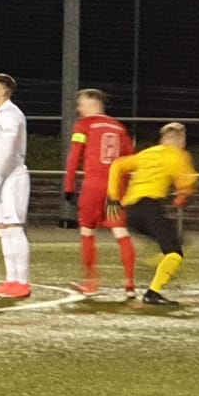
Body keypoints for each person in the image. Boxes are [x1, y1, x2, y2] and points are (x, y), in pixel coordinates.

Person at [107, 122, 199, 306]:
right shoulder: (178, 156)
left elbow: (117, 165)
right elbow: (188, 183)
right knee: (175, 253)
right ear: (179, 139)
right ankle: (153, 292)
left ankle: (157, 262)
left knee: (174, 239)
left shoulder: (147, 154)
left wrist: (113, 196)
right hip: (149, 207)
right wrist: (183, 195)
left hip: (131, 212)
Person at [62, 88, 137, 298]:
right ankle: (130, 284)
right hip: (114, 190)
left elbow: (74, 156)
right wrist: (125, 189)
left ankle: (91, 283)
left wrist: (69, 187)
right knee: (121, 232)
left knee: (87, 232)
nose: (78, 109)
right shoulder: (119, 127)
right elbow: (130, 160)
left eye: (81, 104)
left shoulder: (84, 125)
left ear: (92, 104)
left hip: (93, 187)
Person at [0, 74, 31, 299]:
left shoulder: (11, 114)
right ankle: (11, 279)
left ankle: (22, 282)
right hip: (1, 178)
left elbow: (9, 149)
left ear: (3, 91)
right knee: (3, 229)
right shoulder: (0, 114)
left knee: (14, 228)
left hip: (12, 178)